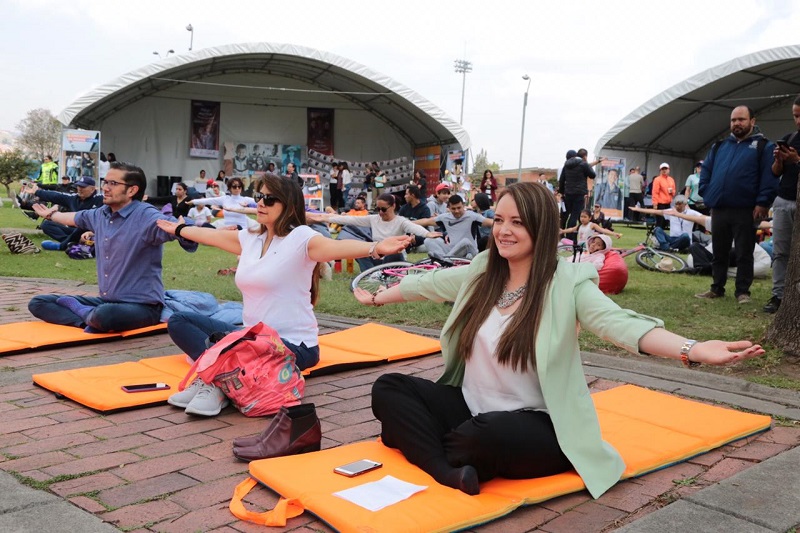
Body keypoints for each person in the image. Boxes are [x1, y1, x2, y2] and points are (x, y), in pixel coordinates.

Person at [353, 182, 764, 497]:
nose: (504, 231)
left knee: (482, 437)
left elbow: (619, 323)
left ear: (541, 226)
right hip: (471, 406)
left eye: (517, 222)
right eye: (499, 220)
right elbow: (430, 283)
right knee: (389, 388)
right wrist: (377, 297)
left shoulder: (567, 281)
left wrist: (693, 348)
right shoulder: (483, 270)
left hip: (537, 424)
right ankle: (446, 470)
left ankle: (416, 440)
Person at [159, 175, 412, 416]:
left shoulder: (301, 238)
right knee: (180, 321)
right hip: (252, 338)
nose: (260, 203)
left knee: (237, 344)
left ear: (288, 205)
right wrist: (180, 229)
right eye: (259, 196)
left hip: (295, 345)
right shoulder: (251, 239)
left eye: (269, 199)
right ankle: (221, 377)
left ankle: (213, 380)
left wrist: (375, 247)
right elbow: (211, 235)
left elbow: (335, 247)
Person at [28, 162, 198, 332]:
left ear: (132, 190)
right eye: (105, 182)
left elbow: (177, 227)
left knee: (105, 314)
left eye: (113, 184)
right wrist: (51, 214)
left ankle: (91, 317)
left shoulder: (146, 215)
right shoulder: (101, 213)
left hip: (143, 307)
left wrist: (184, 228)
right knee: (40, 303)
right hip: (107, 302)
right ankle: (88, 320)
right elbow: (73, 217)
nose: (106, 188)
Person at [696, 105, 779, 304]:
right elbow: (706, 171)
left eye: (741, 119)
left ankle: (742, 292)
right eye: (733, 120)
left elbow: (769, 177)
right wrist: (707, 193)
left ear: (752, 121)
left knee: (744, 252)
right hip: (720, 208)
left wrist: (762, 202)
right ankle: (717, 288)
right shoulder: (719, 146)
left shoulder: (763, 147)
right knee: (719, 251)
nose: (737, 123)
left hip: (747, 210)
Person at [307, 193, 438, 273]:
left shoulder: (401, 221)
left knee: (393, 253)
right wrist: (323, 217)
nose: (380, 212)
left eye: (383, 209)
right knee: (359, 250)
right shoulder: (373, 219)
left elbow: (414, 228)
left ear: (393, 206)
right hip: (377, 257)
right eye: (377, 209)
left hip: (393, 259)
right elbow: (350, 219)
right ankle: (371, 275)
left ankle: (387, 274)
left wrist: (428, 234)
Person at [764, 95, 800, 313]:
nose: (798, 121)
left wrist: (797, 160)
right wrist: (779, 159)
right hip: (784, 200)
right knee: (780, 251)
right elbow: (775, 172)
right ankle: (778, 296)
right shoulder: (791, 137)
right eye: (795, 116)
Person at [23, 177, 103, 251]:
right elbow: (56, 196)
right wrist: (37, 192)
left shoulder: (101, 199)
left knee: (82, 225)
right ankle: (71, 243)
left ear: (92, 189)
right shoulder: (73, 198)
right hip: (74, 230)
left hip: (93, 232)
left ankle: (62, 246)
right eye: (78, 186)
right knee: (46, 225)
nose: (79, 189)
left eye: (83, 187)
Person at [415, 195, 493, 260]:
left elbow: (491, 222)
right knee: (428, 240)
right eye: (453, 208)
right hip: (452, 250)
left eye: (459, 208)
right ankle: (444, 260)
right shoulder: (445, 218)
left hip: (469, 252)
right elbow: (426, 221)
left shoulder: (472, 216)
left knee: (465, 241)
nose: (456, 211)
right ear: (449, 208)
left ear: (463, 206)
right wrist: (406, 223)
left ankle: (444, 259)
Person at [629, 195, 699, 251]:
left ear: (684, 204)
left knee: (685, 236)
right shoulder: (671, 211)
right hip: (672, 239)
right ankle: (667, 247)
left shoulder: (691, 213)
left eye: (679, 204)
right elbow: (654, 211)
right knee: (657, 229)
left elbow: (703, 218)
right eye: (676, 204)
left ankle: (667, 247)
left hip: (684, 240)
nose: (677, 206)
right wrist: (638, 209)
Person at [558, 149, 597, 239]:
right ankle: (570, 237)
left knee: (565, 215)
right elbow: (592, 175)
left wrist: (562, 192)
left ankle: (561, 235)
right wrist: (586, 162)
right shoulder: (583, 163)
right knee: (575, 216)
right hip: (579, 193)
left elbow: (562, 180)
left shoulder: (566, 165)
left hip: (568, 193)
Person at [188, 177, 255, 229]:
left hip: (241, 229)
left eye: (239, 186)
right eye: (234, 187)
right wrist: (193, 201)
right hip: (227, 229)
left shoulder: (246, 200)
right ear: (230, 188)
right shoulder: (225, 199)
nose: (237, 188)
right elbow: (209, 200)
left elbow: (260, 202)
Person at [652, 163, 676, 229]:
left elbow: (674, 192)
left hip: (668, 204)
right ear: (660, 170)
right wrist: (655, 204)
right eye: (662, 169)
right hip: (660, 204)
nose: (664, 170)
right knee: (660, 222)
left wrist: (672, 192)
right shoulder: (657, 179)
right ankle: (657, 235)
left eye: (666, 169)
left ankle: (660, 235)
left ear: (669, 170)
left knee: (666, 222)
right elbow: (655, 192)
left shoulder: (671, 180)